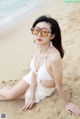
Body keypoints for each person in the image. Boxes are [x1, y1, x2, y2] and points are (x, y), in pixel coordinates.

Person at [0, 15, 80, 115]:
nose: (39, 35)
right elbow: (34, 72)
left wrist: (67, 103)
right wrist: (31, 95)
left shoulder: (54, 58)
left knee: (9, 96)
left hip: (43, 89)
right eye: (36, 30)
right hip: (33, 78)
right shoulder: (39, 46)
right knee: (10, 94)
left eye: (45, 32)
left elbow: (59, 86)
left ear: (52, 36)